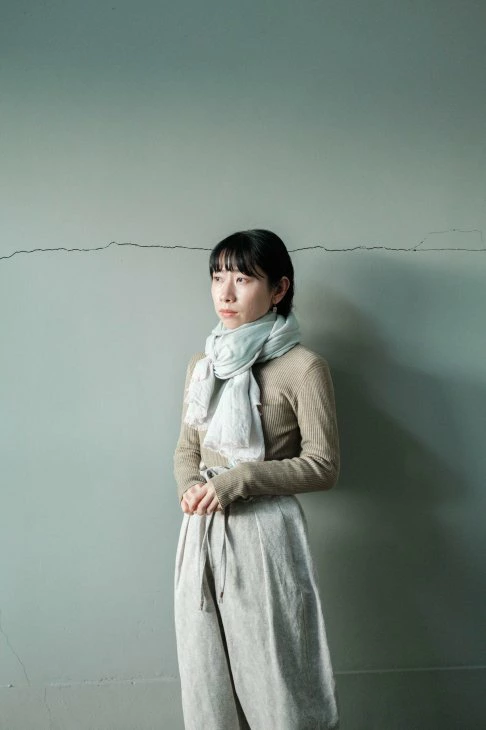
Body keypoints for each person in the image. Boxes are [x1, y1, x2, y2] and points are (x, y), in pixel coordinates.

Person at [173, 229, 340, 730]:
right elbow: (187, 449)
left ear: (279, 288)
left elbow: (323, 465)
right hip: (201, 532)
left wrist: (238, 480)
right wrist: (190, 487)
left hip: (267, 535)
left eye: (242, 279)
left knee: (277, 678)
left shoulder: (304, 368)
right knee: (207, 674)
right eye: (217, 277)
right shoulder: (203, 365)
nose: (225, 293)